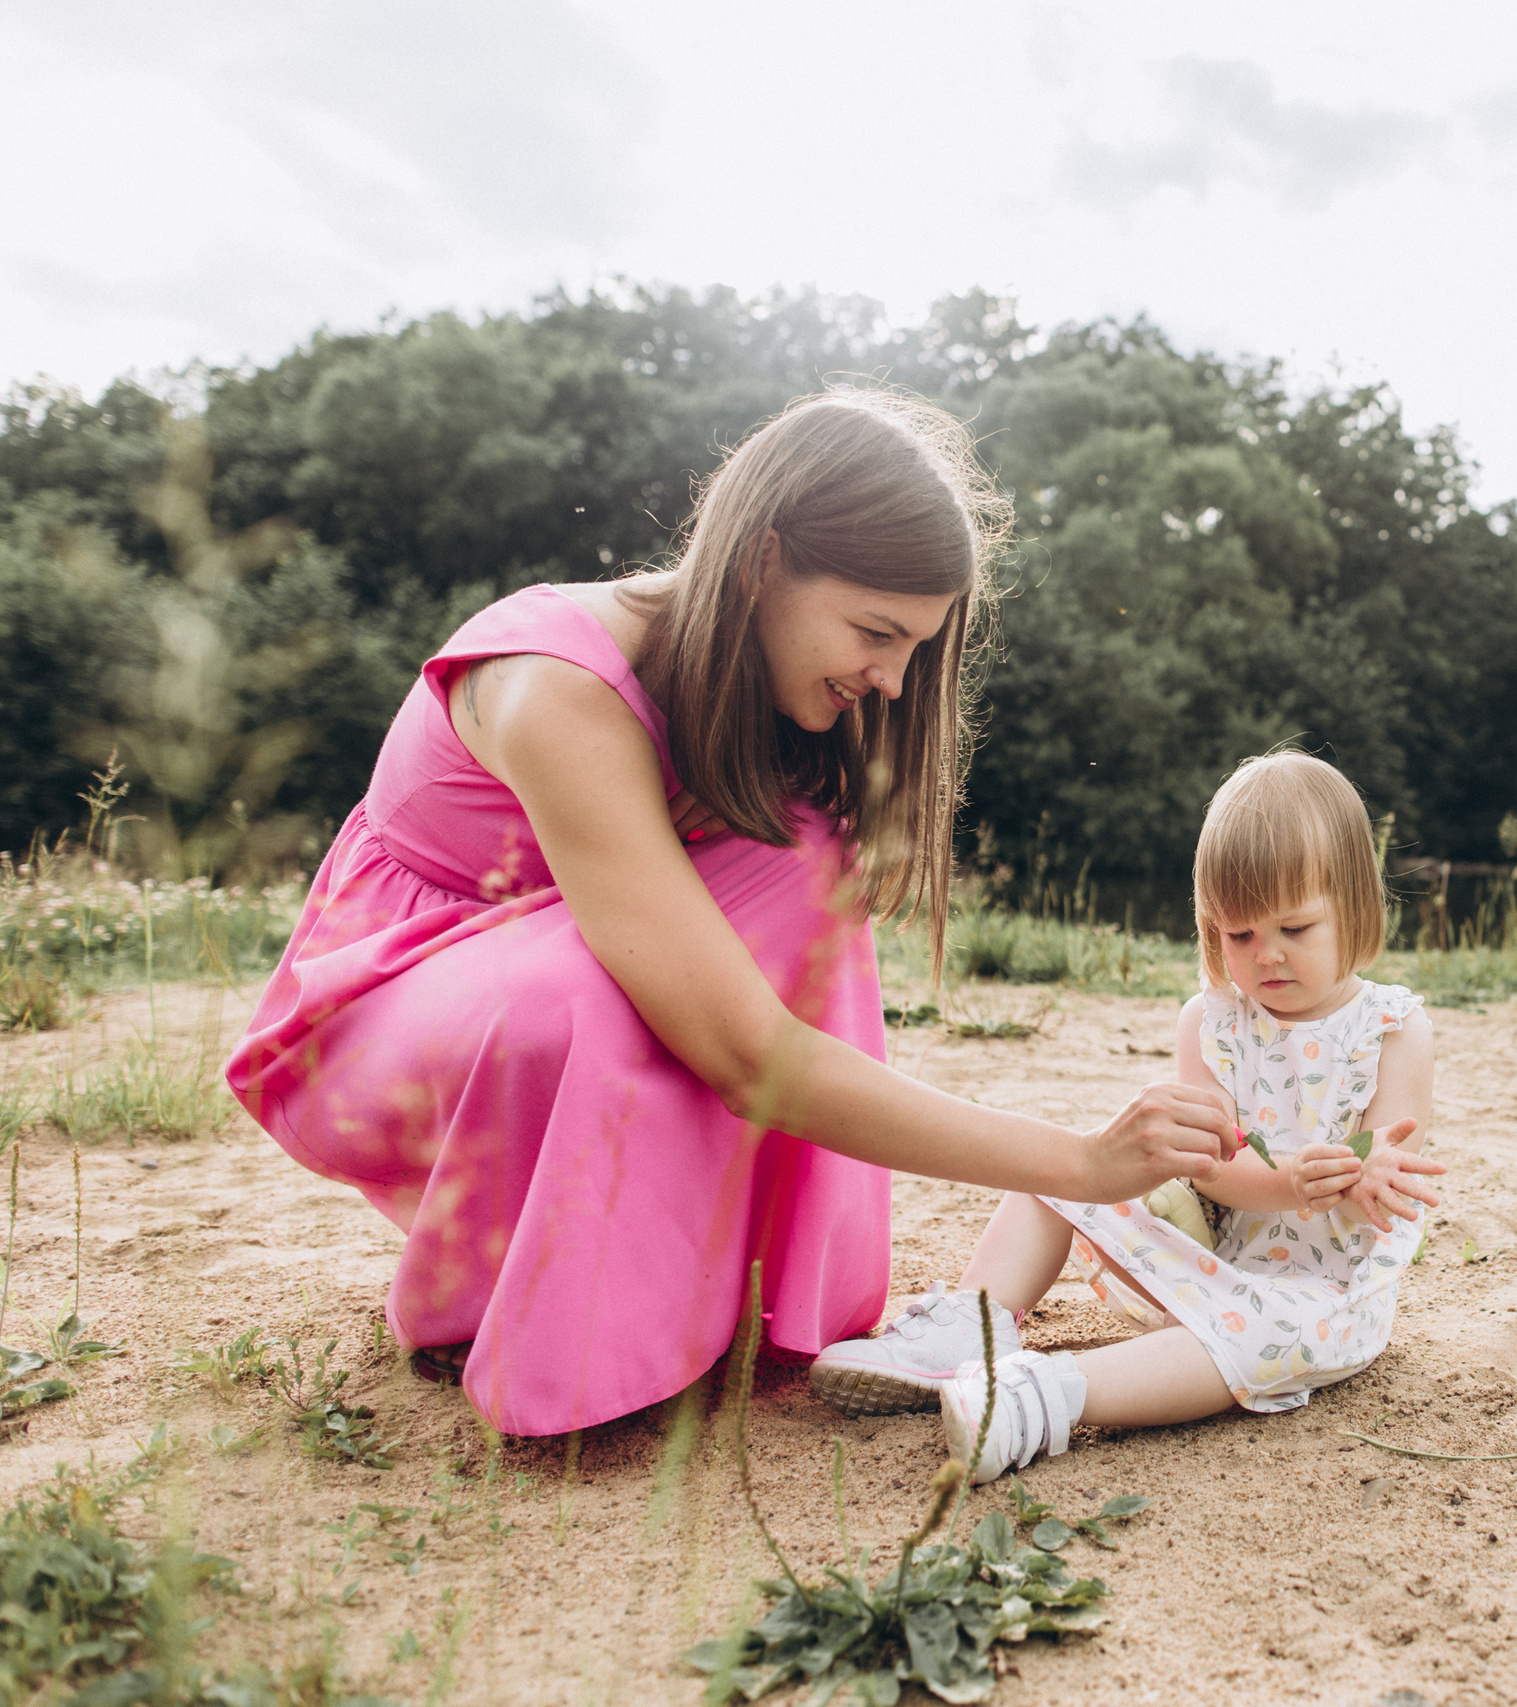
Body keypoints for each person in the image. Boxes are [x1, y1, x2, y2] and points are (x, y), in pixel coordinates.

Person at [224, 391, 1233, 1438]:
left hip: (540, 959)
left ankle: (721, 1298)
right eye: (875, 632)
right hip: (378, 1012)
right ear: (760, 562)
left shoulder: (766, 702)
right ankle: (495, 1304)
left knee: (801, 858)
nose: (889, 680)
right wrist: (1078, 1165)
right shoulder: (554, 688)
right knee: (592, 998)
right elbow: (744, 1054)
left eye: (914, 647)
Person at [812, 753, 1444, 1483]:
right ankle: (975, 1320)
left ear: (1355, 905)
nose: (1266, 954)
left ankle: (1050, 1396)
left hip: (1324, 1297)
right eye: (1239, 935)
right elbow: (1216, 1170)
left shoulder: (1394, 1028)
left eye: (1295, 927)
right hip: (1212, 1264)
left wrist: (1374, 1178)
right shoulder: (1212, 1023)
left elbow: (1392, 1148)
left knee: (1271, 1335)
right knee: (1061, 1164)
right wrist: (1289, 1181)